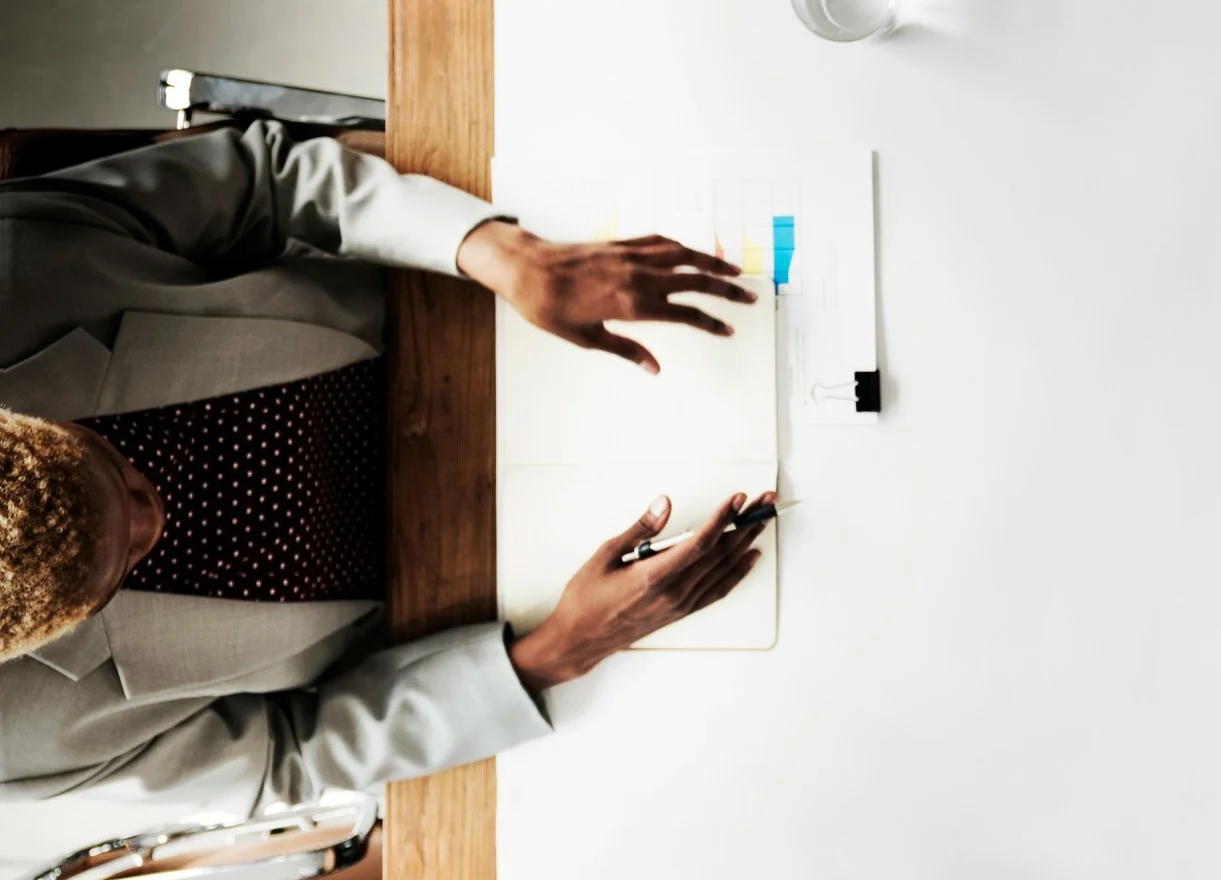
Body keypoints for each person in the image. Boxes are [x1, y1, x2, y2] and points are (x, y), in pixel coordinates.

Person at [0, 121, 769, 811]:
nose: (152, 515)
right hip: (462, 597)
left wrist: (497, 251)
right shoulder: (21, 744)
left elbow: (262, 186)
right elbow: (288, 757)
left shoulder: (18, 268)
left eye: (117, 468)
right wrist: (555, 652)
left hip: (445, 304)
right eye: (124, 560)